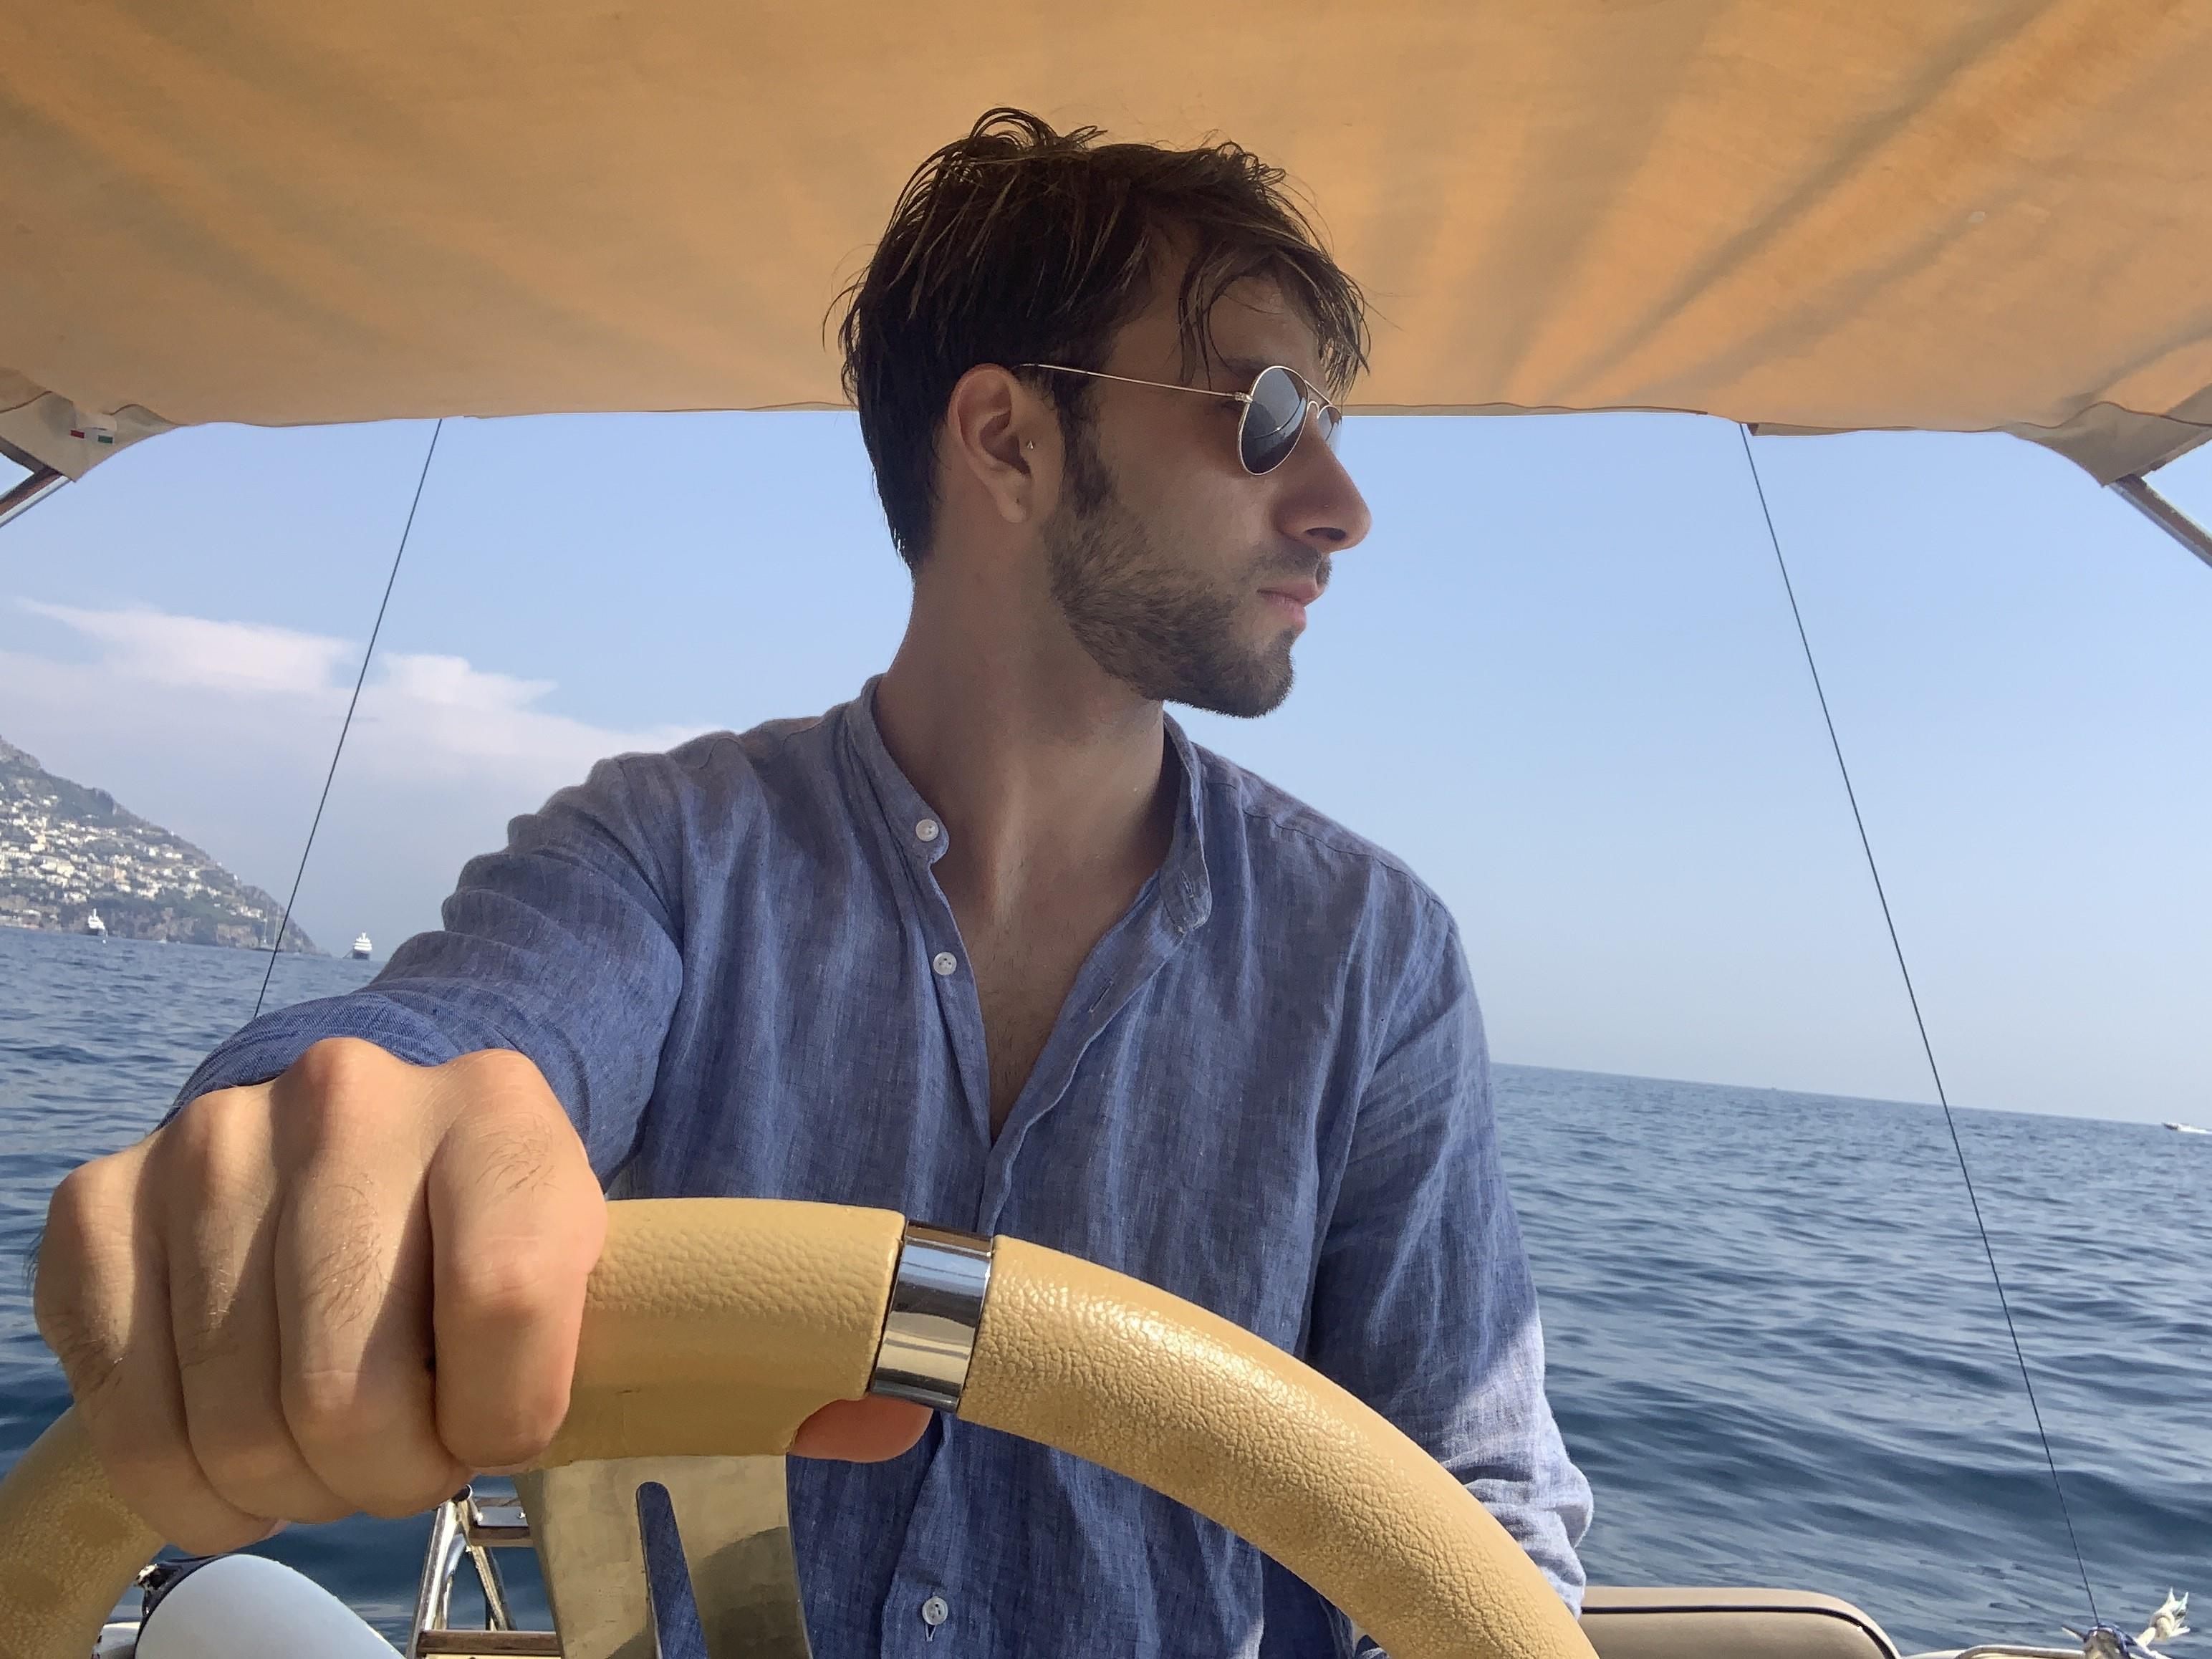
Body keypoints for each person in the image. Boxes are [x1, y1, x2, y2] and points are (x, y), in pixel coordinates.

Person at [35, 108, 1591, 1657]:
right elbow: (456, 1036)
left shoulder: (1373, 957)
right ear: (1007, 441)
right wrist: (324, 1151)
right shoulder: (665, 855)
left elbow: (1477, 1521)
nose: (1340, 507)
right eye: (1264, 415)